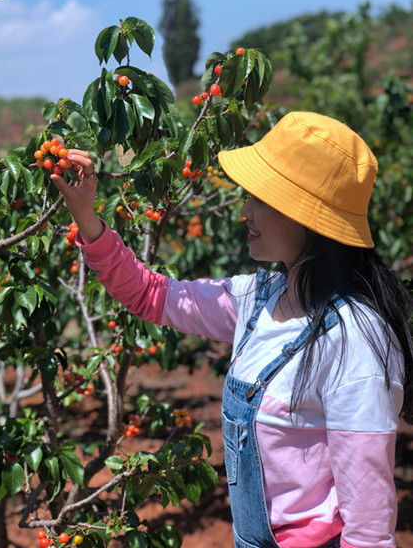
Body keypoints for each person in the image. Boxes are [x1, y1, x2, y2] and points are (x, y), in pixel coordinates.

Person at [51, 111, 413, 548]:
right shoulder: (257, 299)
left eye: (260, 199)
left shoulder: (353, 342)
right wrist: (86, 215)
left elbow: (369, 531)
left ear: (305, 217)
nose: (244, 211)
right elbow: (151, 295)